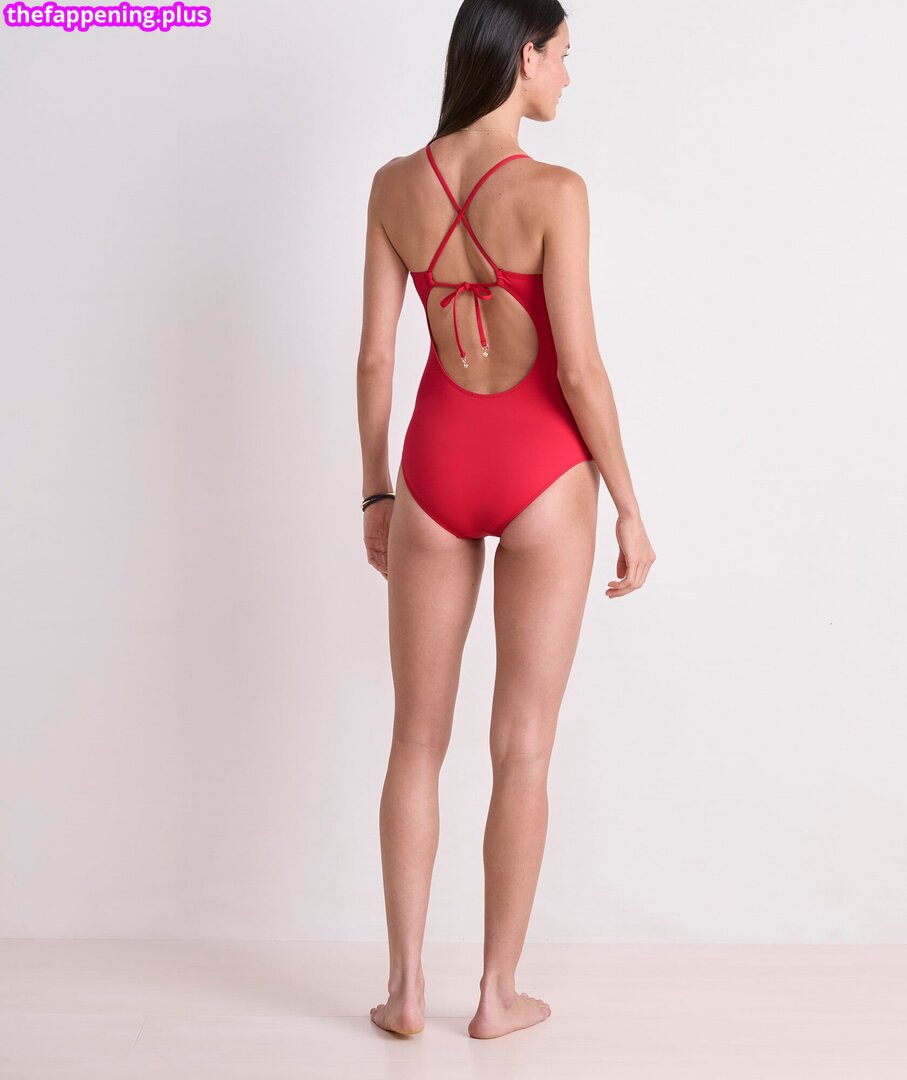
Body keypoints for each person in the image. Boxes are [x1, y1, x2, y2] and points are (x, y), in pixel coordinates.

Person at [357, 0, 655, 1041]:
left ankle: (403, 990)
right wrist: (629, 505)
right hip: (541, 475)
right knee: (522, 747)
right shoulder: (554, 193)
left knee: (414, 739)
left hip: (433, 469)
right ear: (522, 56)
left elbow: (377, 359)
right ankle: (495, 994)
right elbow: (578, 370)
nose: (567, 75)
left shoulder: (394, 185)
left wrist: (376, 493)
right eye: (562, 55)